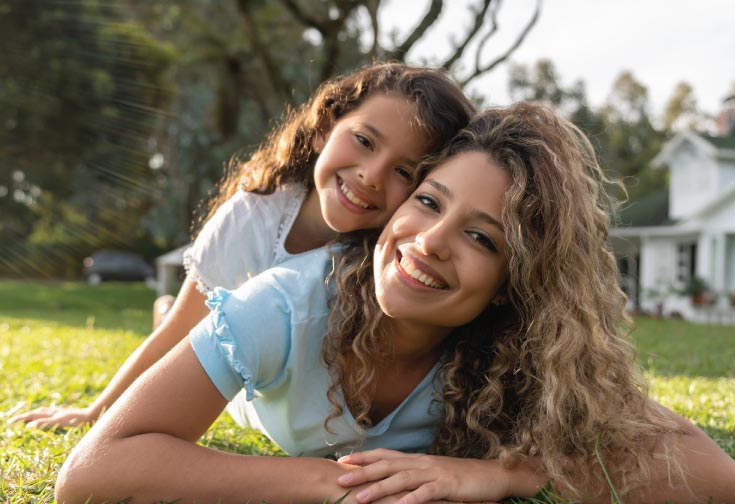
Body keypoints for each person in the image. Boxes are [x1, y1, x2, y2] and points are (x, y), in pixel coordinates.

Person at [55, 103, 735, 504]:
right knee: (211, 330)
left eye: (482, 238)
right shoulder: (286, 305)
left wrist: (508, 473)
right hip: (254, 385)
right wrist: (329, 483)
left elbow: (722, 477)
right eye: (428, 201)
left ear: (514, 282)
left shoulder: (515, 352)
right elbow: (95, 471)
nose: (429, 243)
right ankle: (167, 318)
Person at [11, 62, 475, 430]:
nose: (371, 177)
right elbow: (175, 340)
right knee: (188, 326)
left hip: (303, 385)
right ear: (323, 130)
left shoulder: (394, 256)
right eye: (363, 141)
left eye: (404, 173)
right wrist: (95, 413)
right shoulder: (254, 215)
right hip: (250, 380)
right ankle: (171, 305)